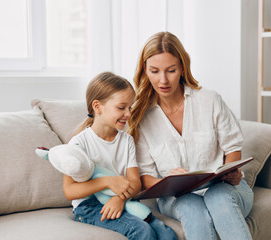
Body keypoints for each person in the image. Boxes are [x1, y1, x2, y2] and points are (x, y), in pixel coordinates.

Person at [128, 32, 254, 240]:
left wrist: (232, 172)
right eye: (155, 71)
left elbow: (232, 149)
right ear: (145, 70)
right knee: (189, 203)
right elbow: (146, 177)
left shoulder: (209, 100)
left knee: (218, 196)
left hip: (224, 189)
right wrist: (167, 181)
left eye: (171, 70)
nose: (163, 80)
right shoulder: (140, 117)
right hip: (175, 197)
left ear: (183, 68)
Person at [63, 72, 177, 240]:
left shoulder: (127, 141)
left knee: (167, 234)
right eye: (121, 107)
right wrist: (106, 181)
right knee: (141, 231)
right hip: (89, 206)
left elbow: (135, 183)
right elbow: (70, 191)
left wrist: (119, 199)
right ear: (98, 106)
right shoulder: (79, 144)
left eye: (130, 108)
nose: (128, 114)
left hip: (124, 199)